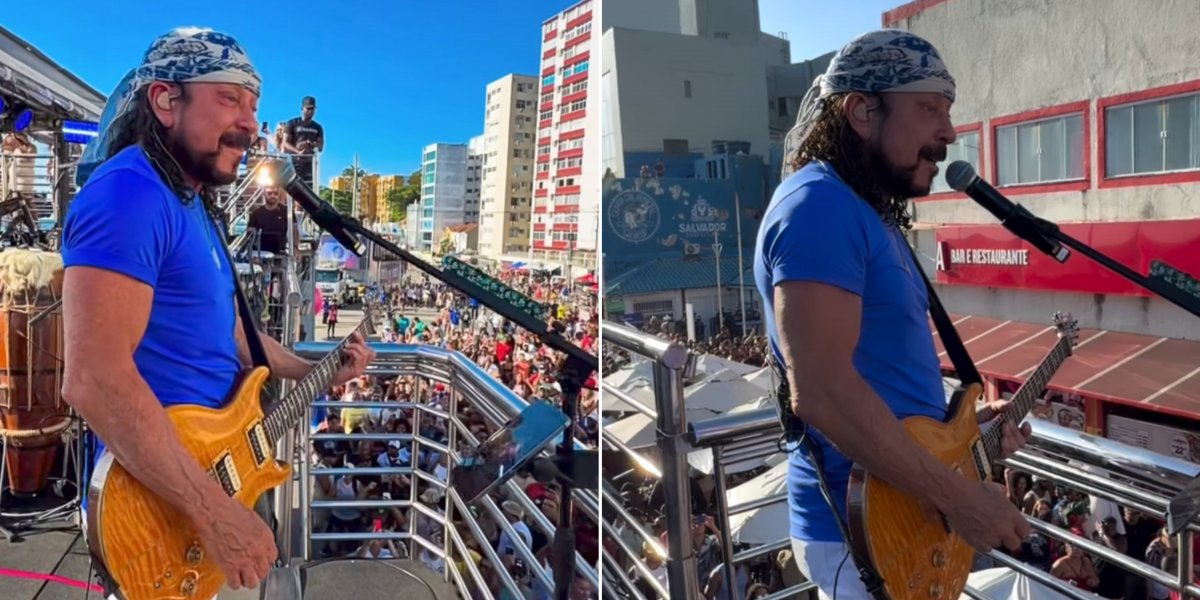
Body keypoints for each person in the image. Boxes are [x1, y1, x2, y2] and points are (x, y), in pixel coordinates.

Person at [60, 27, 375, 596]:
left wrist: (315, 371)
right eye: (229, 98)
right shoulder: (128, 195)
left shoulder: (190, 200)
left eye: (254, 105)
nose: (251, 122)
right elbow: (93, 379)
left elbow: (228, 330)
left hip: (212, 470)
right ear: (165, 101)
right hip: (167, 499)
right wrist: (215, 513)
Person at [752, 29, 1032, 599]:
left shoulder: (861, 212)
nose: (949, 133)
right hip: (864, 537)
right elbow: (824, 392)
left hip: (899, 521)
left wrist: (961, 440)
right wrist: (958, 499)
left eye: (948, 113)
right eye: (929, 109)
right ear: (861, 110)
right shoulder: (820, 208)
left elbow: (881, 378)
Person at [281, 96, 323, 188]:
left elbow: (320, 146)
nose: (310, 112)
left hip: (309, 163)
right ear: (302, 108)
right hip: (294, 162)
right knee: (293, 188)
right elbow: (285, 143)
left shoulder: (317, 127)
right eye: (308, 109)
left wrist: (310, 144)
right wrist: (298, 151)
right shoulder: (292, 123)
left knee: (308, 190)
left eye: (312, 109)